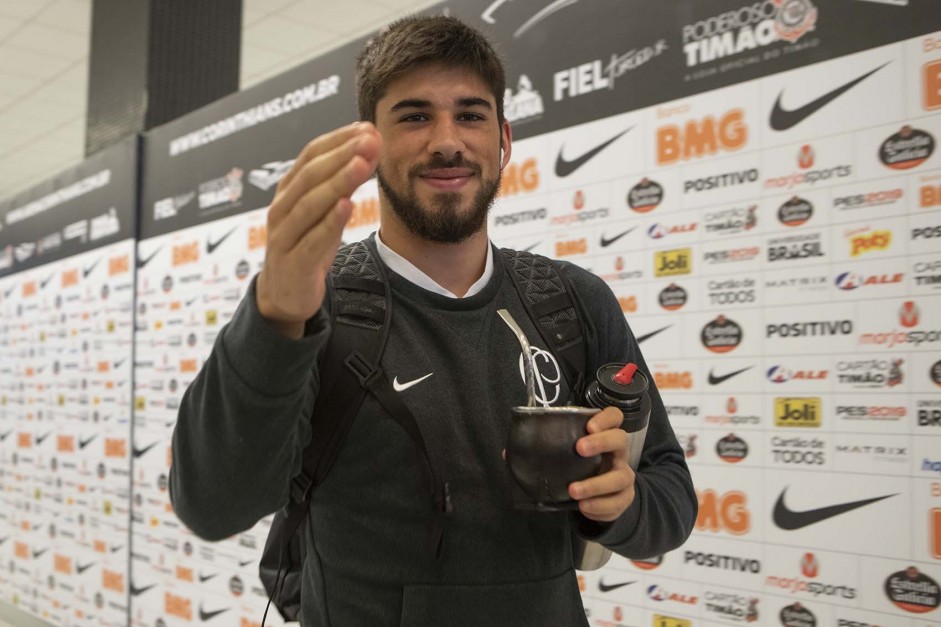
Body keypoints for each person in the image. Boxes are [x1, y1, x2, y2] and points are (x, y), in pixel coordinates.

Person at [170, 15, 696, 627]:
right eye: (415, 116)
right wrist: (276, 315)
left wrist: (622, 504)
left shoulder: (573, 301)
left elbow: (671, 499)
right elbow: (211, 505)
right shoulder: (315, 303)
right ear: (373, 142)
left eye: (470, 115)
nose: (447, 141)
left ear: (503, 139)